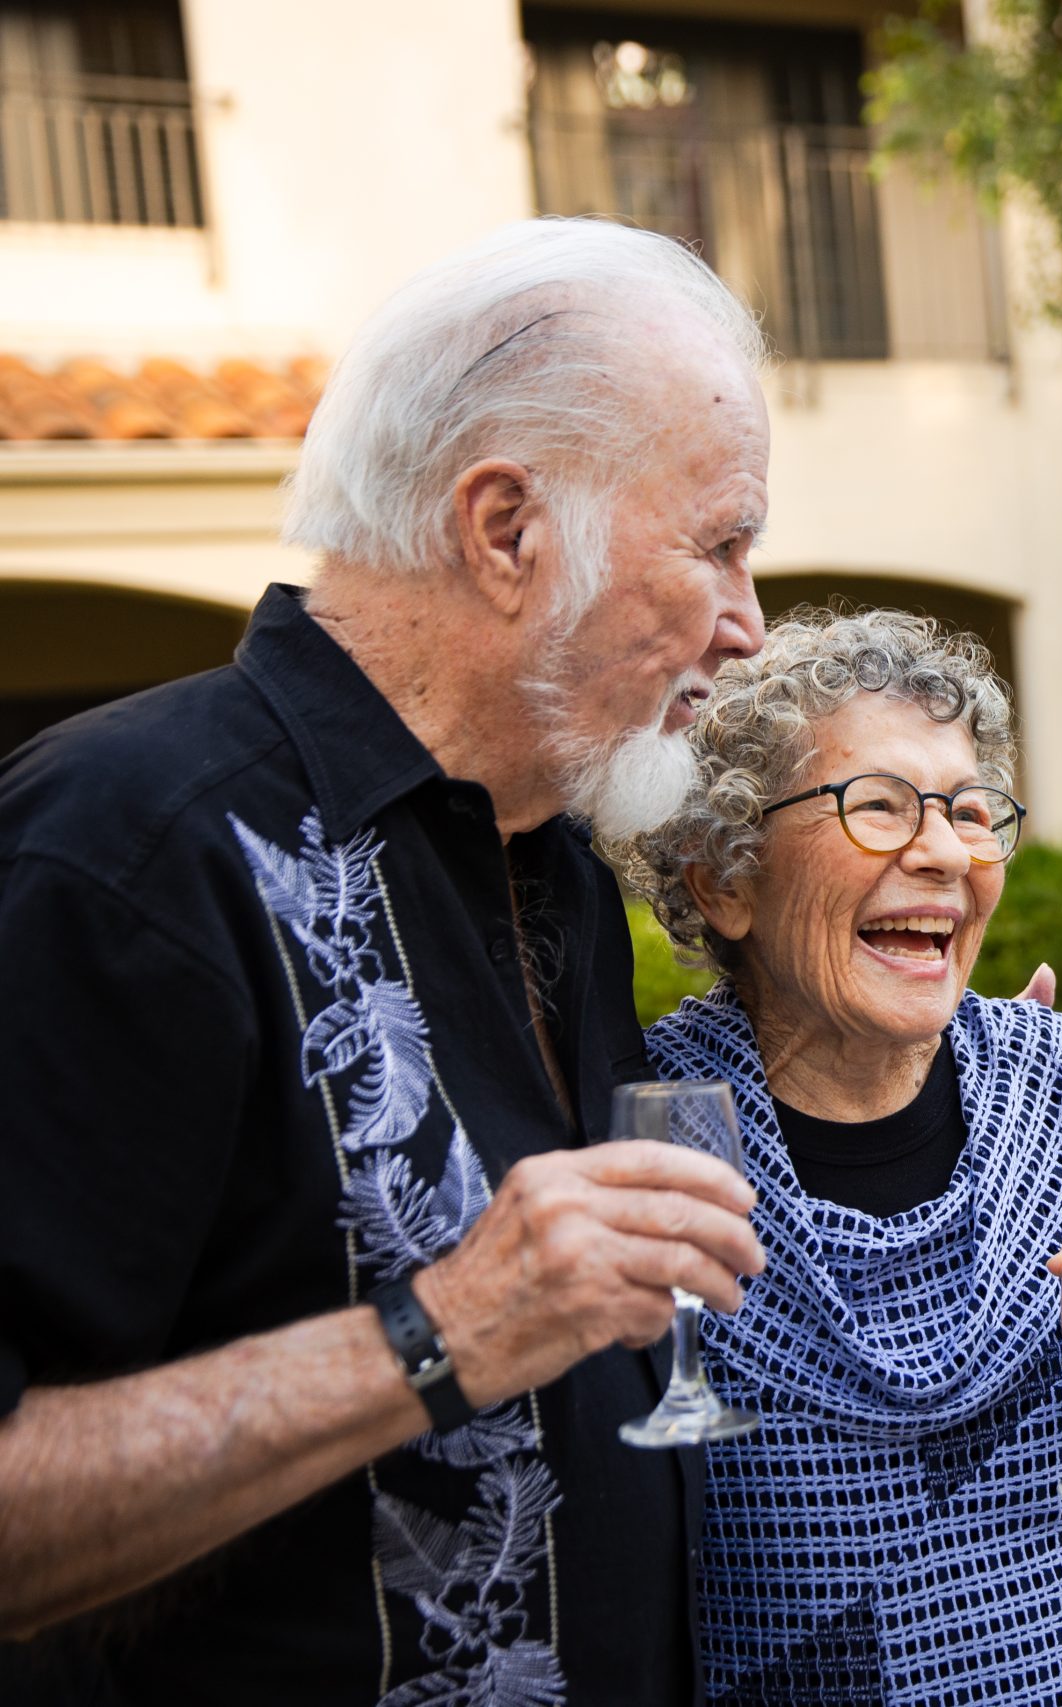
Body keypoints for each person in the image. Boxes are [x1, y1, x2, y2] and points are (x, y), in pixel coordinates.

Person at [0, 219, 777, 1702]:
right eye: (721, 543)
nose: (747, 621)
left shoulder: (551, 851)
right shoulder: (121, 852)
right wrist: (442, 1331)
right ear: (505, 531)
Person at [608, 608, 1062, 1703]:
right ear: (723, 880)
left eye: (970, 812)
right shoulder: (656, 1130)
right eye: (878, 807)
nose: (942, 852)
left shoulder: (1053, 1075)